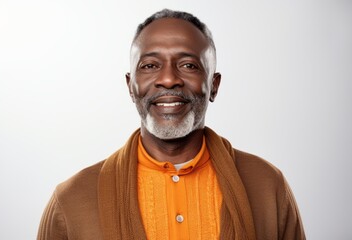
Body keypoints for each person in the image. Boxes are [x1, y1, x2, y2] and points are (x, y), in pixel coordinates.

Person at [37, 9, 305, 240]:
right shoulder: (72, 199)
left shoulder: (267, 186)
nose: (168, 79)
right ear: (131, 87)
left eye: (188, 65)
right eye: (150, 65)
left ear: (214, 85)